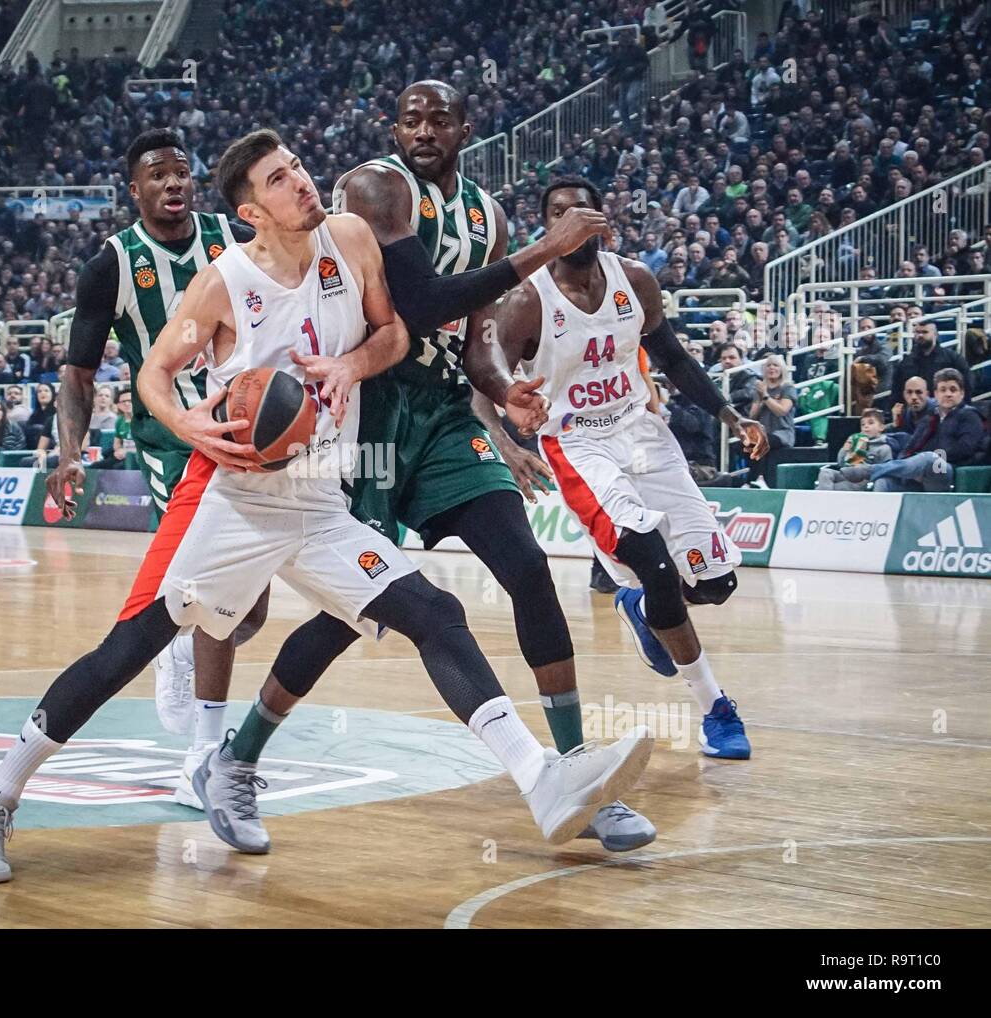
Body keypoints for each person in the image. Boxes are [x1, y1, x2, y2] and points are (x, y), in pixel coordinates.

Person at [0, 130, 651, 882]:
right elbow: (157, 371)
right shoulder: (225, 282)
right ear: (253, 210)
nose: (305, 184)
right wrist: (183, 420)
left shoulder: (349, 238)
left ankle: (543, 782)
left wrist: (352, 363)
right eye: (282, 181)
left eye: (300, 169)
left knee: (434, 613)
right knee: (130, 648)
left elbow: (392, 332)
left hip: (319, 499)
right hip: (233, 500)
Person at [242, 81, 663, 851]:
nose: (424, 130)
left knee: (529, 566)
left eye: (440, 119)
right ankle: (239, 759)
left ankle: (576, 773)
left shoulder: (487, 214)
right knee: (349, 614)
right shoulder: (375, 187)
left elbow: (474, 340)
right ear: (392, 128)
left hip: (438, 414)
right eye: (411, 119)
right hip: (366, 410)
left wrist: (508, 397)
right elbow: (426, 303)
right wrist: (547, 249)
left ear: (467, 127)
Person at [469, 176, 769, 761]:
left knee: (716, 583)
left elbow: (675, 358)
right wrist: (504, 443)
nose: (570, 219)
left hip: (642, 433)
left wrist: (731, 414)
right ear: (546, 227)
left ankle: (641, 609)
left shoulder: (636, 280)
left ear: (602, 219)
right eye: (557, 213)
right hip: (578, 443)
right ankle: (715, 709)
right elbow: (484, 380)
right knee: (653, 564)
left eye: (581, 209)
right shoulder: (529, 300)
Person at [44, 129, 269, 801]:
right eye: (157, 175)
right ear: (133, 190)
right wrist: (70, 452)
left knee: (248, 608)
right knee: (217, 589)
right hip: (173, 442)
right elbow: (79, 373)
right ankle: (203, 757)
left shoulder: (231, 238)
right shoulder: (110, 264)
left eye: (181, 172)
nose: (173, 182)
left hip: (246, 426)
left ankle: (176, 645)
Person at [869, 369, 982, 491]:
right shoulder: (930, 417)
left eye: (953, 390)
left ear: (962, 393)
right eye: (943, 390)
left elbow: (964, 449)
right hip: (922, 474)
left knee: (930, 459)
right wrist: (911, 463)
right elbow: (910, 447)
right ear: (936, 394)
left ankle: (869, 471)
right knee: (884, 482)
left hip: (948, 471)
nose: (948, 394)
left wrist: (927, 458)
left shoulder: (969, 415)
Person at [744, 355, 798, 487]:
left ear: (782, 369)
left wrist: (766, 397)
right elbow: (752, 416)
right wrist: (760, 398)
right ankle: (751, 480)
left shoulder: (787, 388)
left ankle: (760, 478)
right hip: (764, 431)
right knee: (748, 442)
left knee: (762, 441)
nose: (772, 368)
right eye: (769, 365)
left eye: (775, 365)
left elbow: (782, 410)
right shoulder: (761, 389)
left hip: (783, 433)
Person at [816, 408, 893, 490]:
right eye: (863, 424)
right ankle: (824, 497)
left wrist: (865, 467)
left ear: (881, 427)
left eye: (871, 423)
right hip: (846, 473)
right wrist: (845, 449)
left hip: (864, 480)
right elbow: (841, 463)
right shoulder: (856, 441)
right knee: (825, 473)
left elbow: (886, 470)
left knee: (834, 488)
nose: (866, 426)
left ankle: (824, 497)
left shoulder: (884, 448)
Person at [896, 321, 972, 396]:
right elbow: (898, 390)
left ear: (935, 335)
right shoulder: (906, 362)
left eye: (925, 332)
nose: (920, 335)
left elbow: (967, 384)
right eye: (917, 332)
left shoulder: (953, 359)